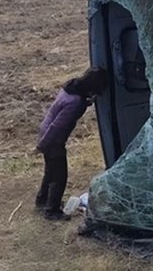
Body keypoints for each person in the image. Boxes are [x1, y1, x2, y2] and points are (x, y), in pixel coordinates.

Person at [35, 67, 109, 221]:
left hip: (46, 131)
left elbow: (67, 108)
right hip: (53, 139)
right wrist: (42, 145)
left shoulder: (72, 88)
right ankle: (52, 210)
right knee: (59, 176)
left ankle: (42, 200)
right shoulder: (76, 102)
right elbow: (58, 126)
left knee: (50, 171)